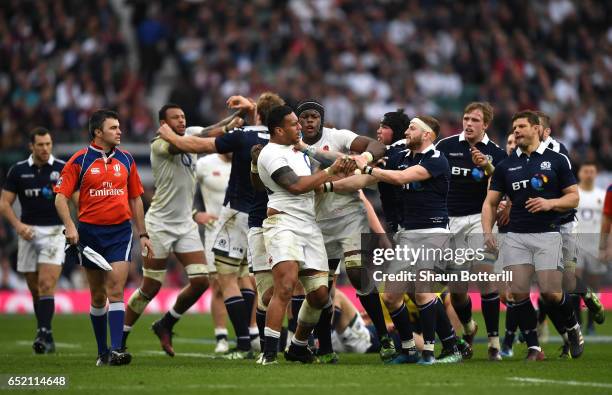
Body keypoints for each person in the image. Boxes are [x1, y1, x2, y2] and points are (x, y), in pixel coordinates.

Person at [158, 92, 285, 359]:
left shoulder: (243, 136)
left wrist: (171, 138)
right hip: (265, 216)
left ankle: (241, 344)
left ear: (258, 114)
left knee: (225, 279)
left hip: (235, 213)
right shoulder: (282, 140)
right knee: (247, 278)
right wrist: (253, 107)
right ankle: (254, 336)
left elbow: (200, 145)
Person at [329, 115, 460, 365]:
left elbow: (399, 178)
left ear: (427, 135)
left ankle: (434, 352)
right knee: (391, 296)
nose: (407, 132)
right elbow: (367, 180)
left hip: (433, 233)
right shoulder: (401, 157)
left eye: (412, 128)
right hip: (407, 234)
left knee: (422, 292)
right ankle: (409, 350)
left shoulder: (436, 159)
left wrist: (367, 166)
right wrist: (327, 186)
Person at [482, 110, 583, 361]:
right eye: (514, 127)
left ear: (536, 129)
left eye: (522, 126)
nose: (516, 131)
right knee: (518, 293)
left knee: (551, 293)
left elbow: (574, 197)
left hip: (547, 234)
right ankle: (533, 347)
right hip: (516, 235)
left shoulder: (557, 160)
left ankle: (572, 328)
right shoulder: (506, 166)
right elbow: (490, 203)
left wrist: (550, 204)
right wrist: (487, 232)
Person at [55, 109, 153, 366]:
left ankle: (117, 349)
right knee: (98, 295)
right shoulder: (79, 161)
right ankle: (102, 352)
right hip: (89, 234)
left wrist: (142, 233)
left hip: (120, 232)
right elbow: (60, 198)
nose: (119, 131)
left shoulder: (127, 159)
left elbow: (135, 198)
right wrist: (70, 227)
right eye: (113, 128)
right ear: (98, 132)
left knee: (116, 290)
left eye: (119, 127)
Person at [295, 100, 387, 363]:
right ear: (298, 122)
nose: (309, 121)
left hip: (348, 218)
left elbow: (377, 146)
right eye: (305, 117)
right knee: (323, 288)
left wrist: (364, 157)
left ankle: (385, 339)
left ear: (321, 119)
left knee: (358, 273)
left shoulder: (338, 137)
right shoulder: (292, 147)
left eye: (314, 116)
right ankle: (324, 348)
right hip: (316, 223)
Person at [256, 105, 348, 365]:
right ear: (278, 130)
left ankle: (297, 346)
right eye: (294, 124)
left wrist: (344, 163)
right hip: (283, 222)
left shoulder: (298, 150)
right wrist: (330, 172)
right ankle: (269, 353)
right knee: (285, 286)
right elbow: (295, 186)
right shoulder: (271, 153)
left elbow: (327, 162)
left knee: (320, 295)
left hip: (309, 224)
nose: (300, 127)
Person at [122, 104, 211, 357]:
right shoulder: (160, 143)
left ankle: (166, 323)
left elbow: (216, 130)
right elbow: (186, 145)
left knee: (202, 280)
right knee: (151, 286)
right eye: (175, 118)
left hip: (185, 224)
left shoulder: (188, 133)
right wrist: (217, 139)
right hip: (159, 224)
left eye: (183, 116)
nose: (182, 120)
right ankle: (120, 338)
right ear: (163, 123)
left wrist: (238, 120)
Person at [435, 102, 507, 360]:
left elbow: (505, 186)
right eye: (466, 118)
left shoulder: (496, 154)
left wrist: (487, 167)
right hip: (450, 221)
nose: (468, 124)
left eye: (475, 120)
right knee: (457, 290)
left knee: (485, 276)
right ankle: (468, 328)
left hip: (480, 220)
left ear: (485, 124)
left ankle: (493, 344)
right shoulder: (446, 146)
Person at [0, 127, 66, 354]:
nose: (45, 148)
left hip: (55, 232)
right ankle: (45, 331)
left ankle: (43, 333)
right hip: (27, 233)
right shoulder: (18, 171)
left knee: (47, 284)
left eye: (48, 144)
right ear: (31, 146)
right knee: (35, 288)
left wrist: (74, 226)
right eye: (40, 145)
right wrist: (18, 226)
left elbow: (75, 199)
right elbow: (4, 203)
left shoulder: (62, 169)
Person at [195, 151, 232, 353]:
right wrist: (194, 213)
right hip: (214, 231)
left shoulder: (246, 160)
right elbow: (181, 186)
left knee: (251, 284)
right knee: (217, 284)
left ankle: (253, 334)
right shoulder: (205, 163)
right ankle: (221, 337)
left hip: (243, 230)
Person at [575, 162, 607, 332]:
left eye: (592, 171)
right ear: (580, 173)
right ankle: (578, 322)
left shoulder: (602, 195)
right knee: (576, 283)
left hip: (595, 245)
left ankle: (590, 323)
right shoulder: (574, 193)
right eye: (585, 171)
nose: (588, 174)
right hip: (576, 244)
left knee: (594, 284)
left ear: (596, 174)